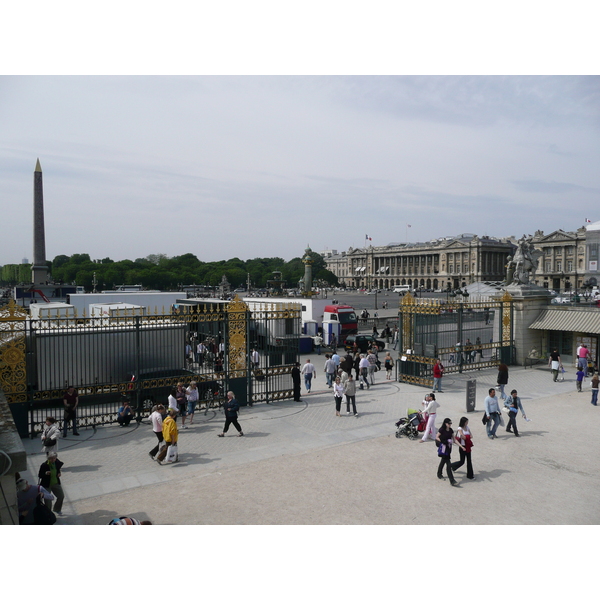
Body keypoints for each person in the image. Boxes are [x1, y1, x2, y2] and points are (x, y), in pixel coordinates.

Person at [435, 418, 458, 486]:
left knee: (443, 461)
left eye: (450, 423)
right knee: (448, 464)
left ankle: (439, 474)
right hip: (444, 448)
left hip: (449, 448)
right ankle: (452, 480)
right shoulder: (442, 429)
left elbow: (454, 439)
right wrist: (442, 442)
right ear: (445, 423)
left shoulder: (451, 430)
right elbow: (437, 437)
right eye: (449, 423)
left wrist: (461, 446)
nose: (450, 425)